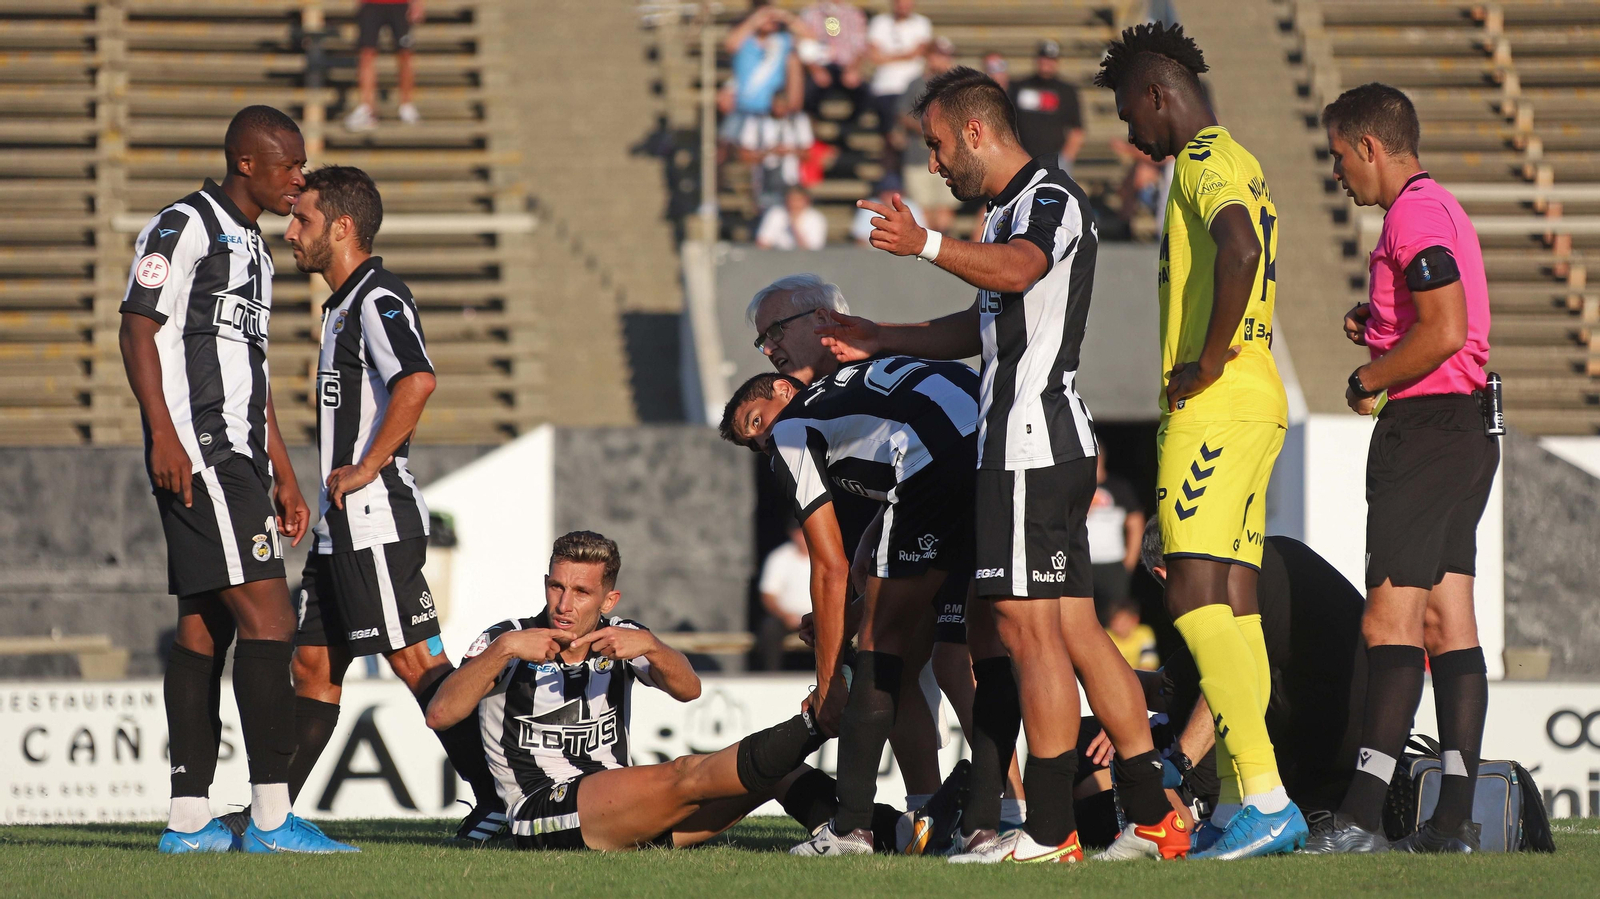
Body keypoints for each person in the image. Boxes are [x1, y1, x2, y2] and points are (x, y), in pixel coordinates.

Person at [818, 67, 1189, 864]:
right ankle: (1155, 816)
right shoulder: (1005, 212)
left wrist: (924, 242)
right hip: (1037, 441)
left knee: (1029, 633)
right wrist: (883, 336)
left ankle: (1050, 831)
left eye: (937, 144)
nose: (933, 162)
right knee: (1075, 630)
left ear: (976, 132)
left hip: (1029, 441)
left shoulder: (1047, 199)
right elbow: (984, 321)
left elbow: (1020, 269)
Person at [1094, 23, 1305, 859]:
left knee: (1188, 593)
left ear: (1158, 95)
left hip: (1218, 401)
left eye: (1129, 113)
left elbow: (1239, 246)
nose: (1130, 134)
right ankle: (1247, 799)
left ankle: (1266, 796)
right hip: (1257, 398)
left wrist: (1207, 359)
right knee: (1234, 602)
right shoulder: (1242, 157)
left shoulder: (1203, 158)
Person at [119, 106, 351, 854]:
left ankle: (189, 824)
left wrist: (284, 472)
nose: (299, 179)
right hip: (203, 451)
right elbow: (137, 326)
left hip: (242, 456)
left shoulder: (256, 247)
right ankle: (273, 821)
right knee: (271, 621)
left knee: (204, 625)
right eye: (289, 165)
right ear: (246, 163)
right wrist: (164, 433)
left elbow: (250, 370)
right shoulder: (183, 224)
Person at [278, 165, 505, 844]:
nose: (290, 232)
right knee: (312, 667)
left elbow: (418, 380)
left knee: (417, 664)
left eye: (303, 219)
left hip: (374, 519)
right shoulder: (341, 305)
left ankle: (499, 802)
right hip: (340, 527)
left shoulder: (377, 297)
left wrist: (366, 466)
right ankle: (268, 817)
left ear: (342, 227)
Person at [1304, 83, 1497, 855]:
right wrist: (1382, 326)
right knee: (1449, 623)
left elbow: (1445, 330)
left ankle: (1358, 816)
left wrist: (1370, 376)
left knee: (1390, 622)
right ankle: (1452, 822)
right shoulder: (1439, 206)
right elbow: (1439, 317)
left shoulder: (1411, 215)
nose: (1338, 173)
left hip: (1426, 432)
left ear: (1370, 147)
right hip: (1466, 428)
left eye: (1339, 157)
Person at [424, 531, 843, 851]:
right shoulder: (507, 639)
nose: (564, 604)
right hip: (542, 810)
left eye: (581, 592)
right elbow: (440, 714)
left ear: (609, 600)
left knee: (775, 770)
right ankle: (815, 725)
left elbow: (689, 689)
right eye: (557, 586)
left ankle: (854, 834)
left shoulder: (622, 636)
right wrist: (503, 650)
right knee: (685, 773)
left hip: (618, 812)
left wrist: (653, 647)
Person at [720, 356, 979, 856]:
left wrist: (827, 684)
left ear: (782, 389)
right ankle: (1000, 817)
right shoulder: (848, 391)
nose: (763, 441)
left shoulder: (791, 429)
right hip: (1004, 443)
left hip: (940, 458)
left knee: (878, 652)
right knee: (976, 650)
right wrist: (850, 610)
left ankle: (851, 829)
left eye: (756, 421)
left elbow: (828, 566)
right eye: (752, 443)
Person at [897, 35, 958, 234]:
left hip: (949, 158)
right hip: (918, 157)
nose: (943, 60)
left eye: (946, 56)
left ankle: (944, 248)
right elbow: (902, 114)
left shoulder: (956, 86)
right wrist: (928, 129)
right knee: (923, 213)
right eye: (938, 55)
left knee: (944, 212)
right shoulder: (915, 84)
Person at [720, 3, 804, 145]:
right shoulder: (745, 40)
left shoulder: (783, 41)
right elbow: (730, 44)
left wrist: (786, 17)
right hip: (743, 109)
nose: (768, 20)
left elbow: (811, 38)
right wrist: (755, 20)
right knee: (727, 144)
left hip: (772, 111)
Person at [344, 0, 425, 131]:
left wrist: (417, 3)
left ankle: (406, 105)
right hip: (371, 4)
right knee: (366, 54)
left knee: (405, 53)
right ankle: (367, 108)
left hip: (400, 4)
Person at [1087, 451, 1144, 621]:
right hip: (1081, 565)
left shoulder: (1119, 487)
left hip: (1113, 566)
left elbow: (1136, 524)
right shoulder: (1074, 487)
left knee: (1114, 618)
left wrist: (1128, 564)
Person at [1011, 40, 1085, 172]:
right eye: (1043, 58)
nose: (1046, 63)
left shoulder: (1067, 91)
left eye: (1051, 59)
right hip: (1021, 160)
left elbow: (1076, 130)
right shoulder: (1018, 87)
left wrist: (1064, 160)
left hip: (1054, 161)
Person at [865, 0, 931, 134]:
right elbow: (873, 55)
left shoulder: (922, 23)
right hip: (885, 87)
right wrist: (907, 55)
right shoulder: (879, 22)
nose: (903, 5)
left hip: (913, 86)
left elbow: (919, 51)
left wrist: (886, 56)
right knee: (889, 130)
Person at [757, 523, 814, 670]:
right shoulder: (779, 557)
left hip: (818, 618)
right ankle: (771, 676)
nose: (802, 537)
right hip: (787, 618)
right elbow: (768, 595)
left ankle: (834, 676)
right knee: (769, 628)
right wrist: (785, 616)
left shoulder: (825, 556)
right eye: (799, 533)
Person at [798, 1, 868, 117]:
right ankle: (813, 122)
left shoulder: (854, 14)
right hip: (820, 66)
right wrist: (816, 70)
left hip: (846, 66)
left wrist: (853, 69)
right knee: (808, 92)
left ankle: (850, 124)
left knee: (864, 93)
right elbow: (803, 45)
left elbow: (861, 47)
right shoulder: (810, 14)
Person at [850, 174, 923, 246]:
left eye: (894, 192)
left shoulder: (910, 206)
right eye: (887, 192)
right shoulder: (871, 206)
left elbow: (919, 234)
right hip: (872, 249)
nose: (890, 196)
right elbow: (859, 238)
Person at [755, 186, 828, 250]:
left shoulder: (816, 219)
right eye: (791, 200)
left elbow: (812, 251)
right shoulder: (776, 213)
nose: (793, 204)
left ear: (806, 201)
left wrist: (795, 227)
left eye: (798, 200)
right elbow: (763, 243)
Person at [1105, 597, 1158, 671]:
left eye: (1123, 622)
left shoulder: (1144, 633)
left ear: (1134, 620)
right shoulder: (1105, 636)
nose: (1117, 626)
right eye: (1114, 621)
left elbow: (1149, 665)